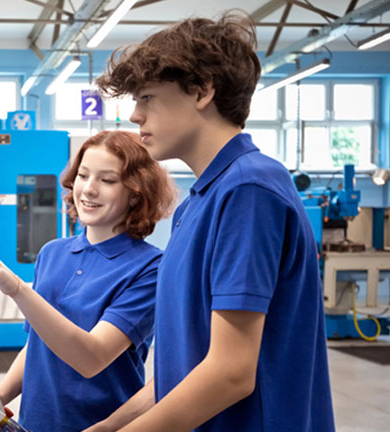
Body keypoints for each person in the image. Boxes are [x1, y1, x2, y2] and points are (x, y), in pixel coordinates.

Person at [86, 11, 335, 431]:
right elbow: (182, 367)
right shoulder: (199, 201)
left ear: (201, 91)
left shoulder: (249, 190)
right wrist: (110, 425)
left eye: (147, 97)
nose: (134, 117)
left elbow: (230, 372)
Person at [0, 130, 176, 432]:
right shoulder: (52, 253)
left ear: (136, 193)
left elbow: (91, 357)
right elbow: (37, 344)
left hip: (99, 425)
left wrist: (17, 289)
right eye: (83, 176)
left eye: (107, 180)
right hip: (35, 422)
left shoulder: (150, 268)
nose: (89, 190)